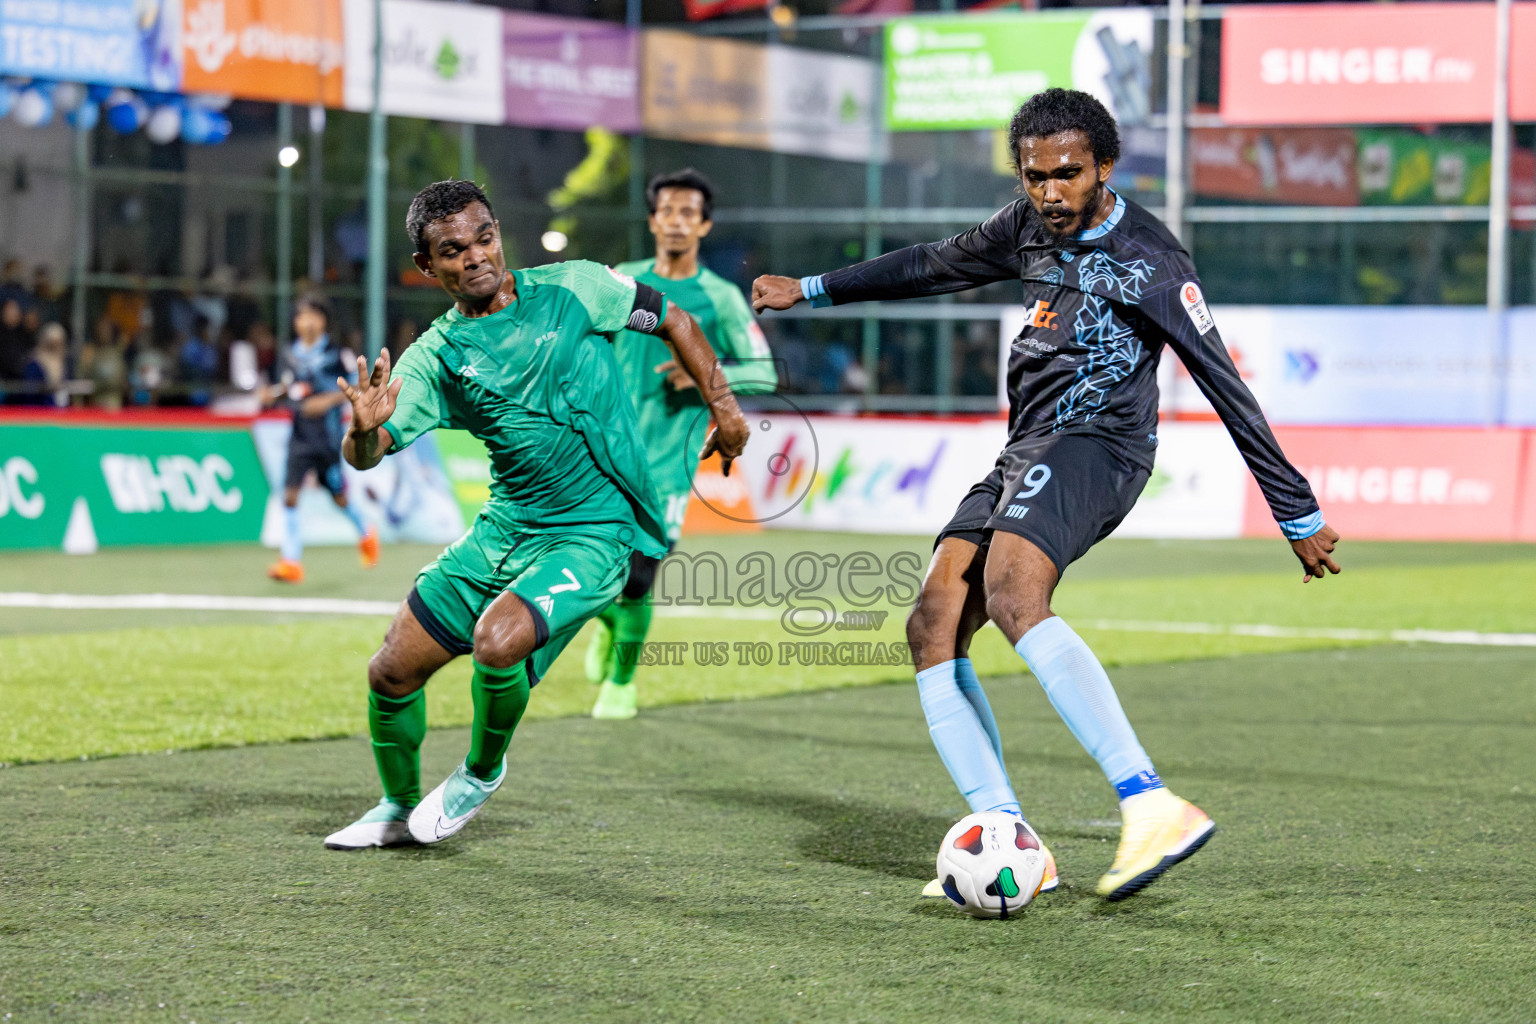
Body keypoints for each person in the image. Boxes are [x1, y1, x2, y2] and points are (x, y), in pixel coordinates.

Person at [752, 89, 1341, 902]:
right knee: (931, 625)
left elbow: (1226, 387)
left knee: (1013, 593)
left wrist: (1295, 511)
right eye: (1035, 177)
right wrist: (813, 289)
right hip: (1026, 447)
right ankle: (1006, 831)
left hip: (1100, 446)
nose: (1050, 193)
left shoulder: (1153, 263)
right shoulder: (1027, 225)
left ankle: (1150, 801)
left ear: (1104, 166)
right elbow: (933, 262)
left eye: (1068, 175)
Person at [323, 180, 749, 850]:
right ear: (427, 267)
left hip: (598, 531)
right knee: (390, 670)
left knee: (498, 642)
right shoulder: (436, 358)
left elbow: (674, 320)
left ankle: (480, 771)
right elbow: (369, 454)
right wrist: (361, 432)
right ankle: (396, 806)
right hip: (506, 529)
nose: (475, 257)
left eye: (484, 237)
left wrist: (724, 407)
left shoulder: (578, 287)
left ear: (498, 233)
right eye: (453, 250)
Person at [584, 168, 778, 720]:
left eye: (688, 213)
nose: (676, 221)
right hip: (601, 451)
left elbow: (763, 372)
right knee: (587, 569)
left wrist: (705, 379)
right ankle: (609, 623)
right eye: (667, 211)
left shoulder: (718, 297)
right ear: (652, 221)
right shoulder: (621, 281)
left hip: (669, 460)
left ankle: (620, 683)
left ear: (705, 225)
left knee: (641, 572)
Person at [263, 294, 379, 584]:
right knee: (290, 495)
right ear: (295, 322)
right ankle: (291, 561)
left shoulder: (338, 353)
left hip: (327, 439)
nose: (309, 322)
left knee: (338, 497)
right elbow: (290, 387)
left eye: (315, 315)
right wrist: (272, 394)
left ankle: (366, 532)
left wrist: (327, 401)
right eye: (303, 316)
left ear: (324, 320)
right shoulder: (290, 354)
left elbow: (359, 386)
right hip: (299, 437)